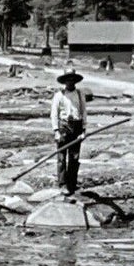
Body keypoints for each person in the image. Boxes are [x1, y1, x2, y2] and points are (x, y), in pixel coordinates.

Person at [50, 67, 88, 197]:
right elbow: (54, 114)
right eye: (68, 79)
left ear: (75, 81)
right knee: (61, 157)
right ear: (64, 81)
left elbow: (83, 112)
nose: (70, 82)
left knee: (74, 157)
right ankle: (62, 184)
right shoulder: (59, 95)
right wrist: (56, 131)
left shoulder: (79, 94)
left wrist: (84, 130)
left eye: (72, 79)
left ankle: (72, 184)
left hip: (76, 127)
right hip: (63, 127)